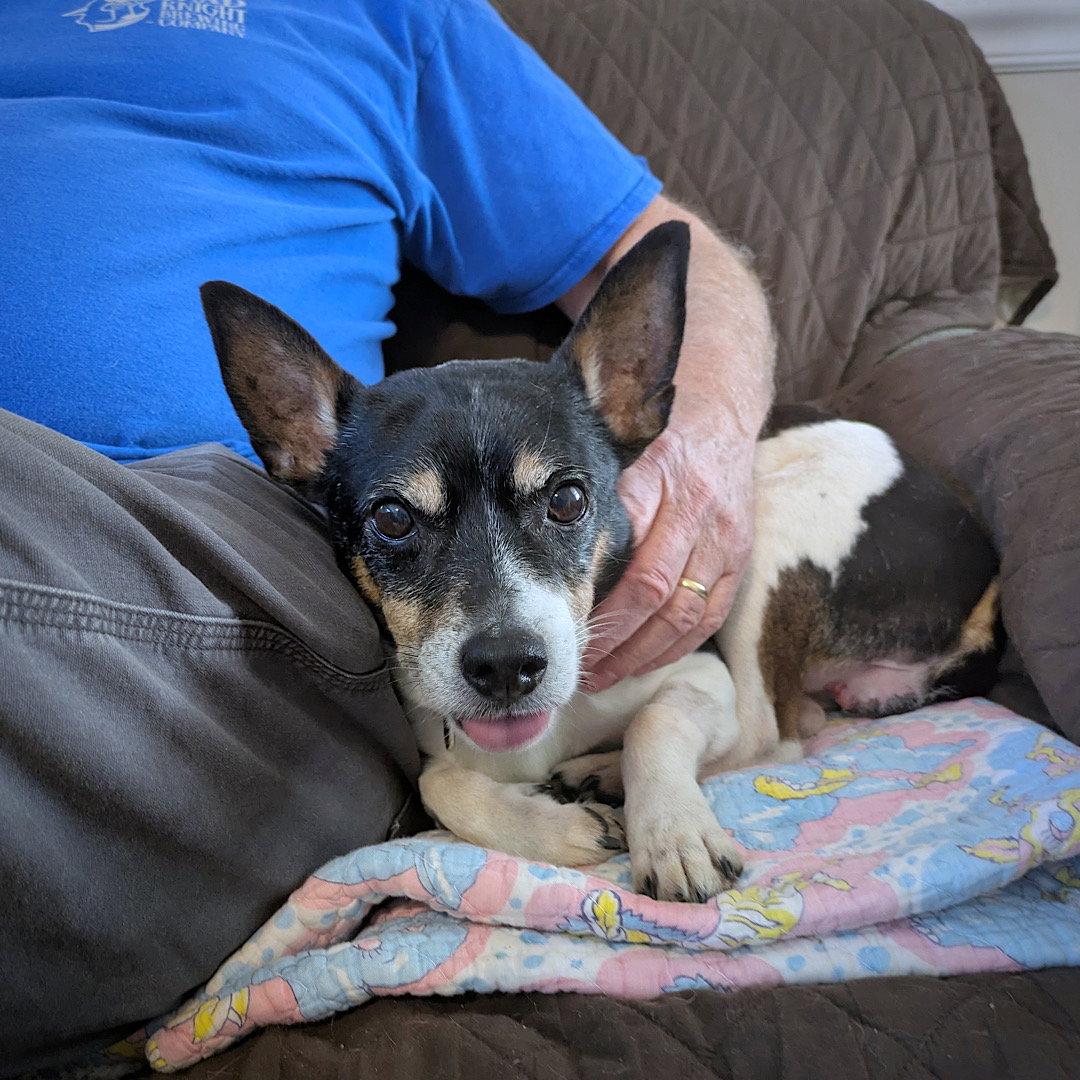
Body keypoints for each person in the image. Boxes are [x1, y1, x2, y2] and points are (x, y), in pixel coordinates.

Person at [0, 1, 772, 1072]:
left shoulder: (391, 16)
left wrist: (708, 454)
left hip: (198, 534)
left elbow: (642, 241)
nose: (497, 624)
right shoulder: (338, 454)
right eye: (403, 526)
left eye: (559, 509)